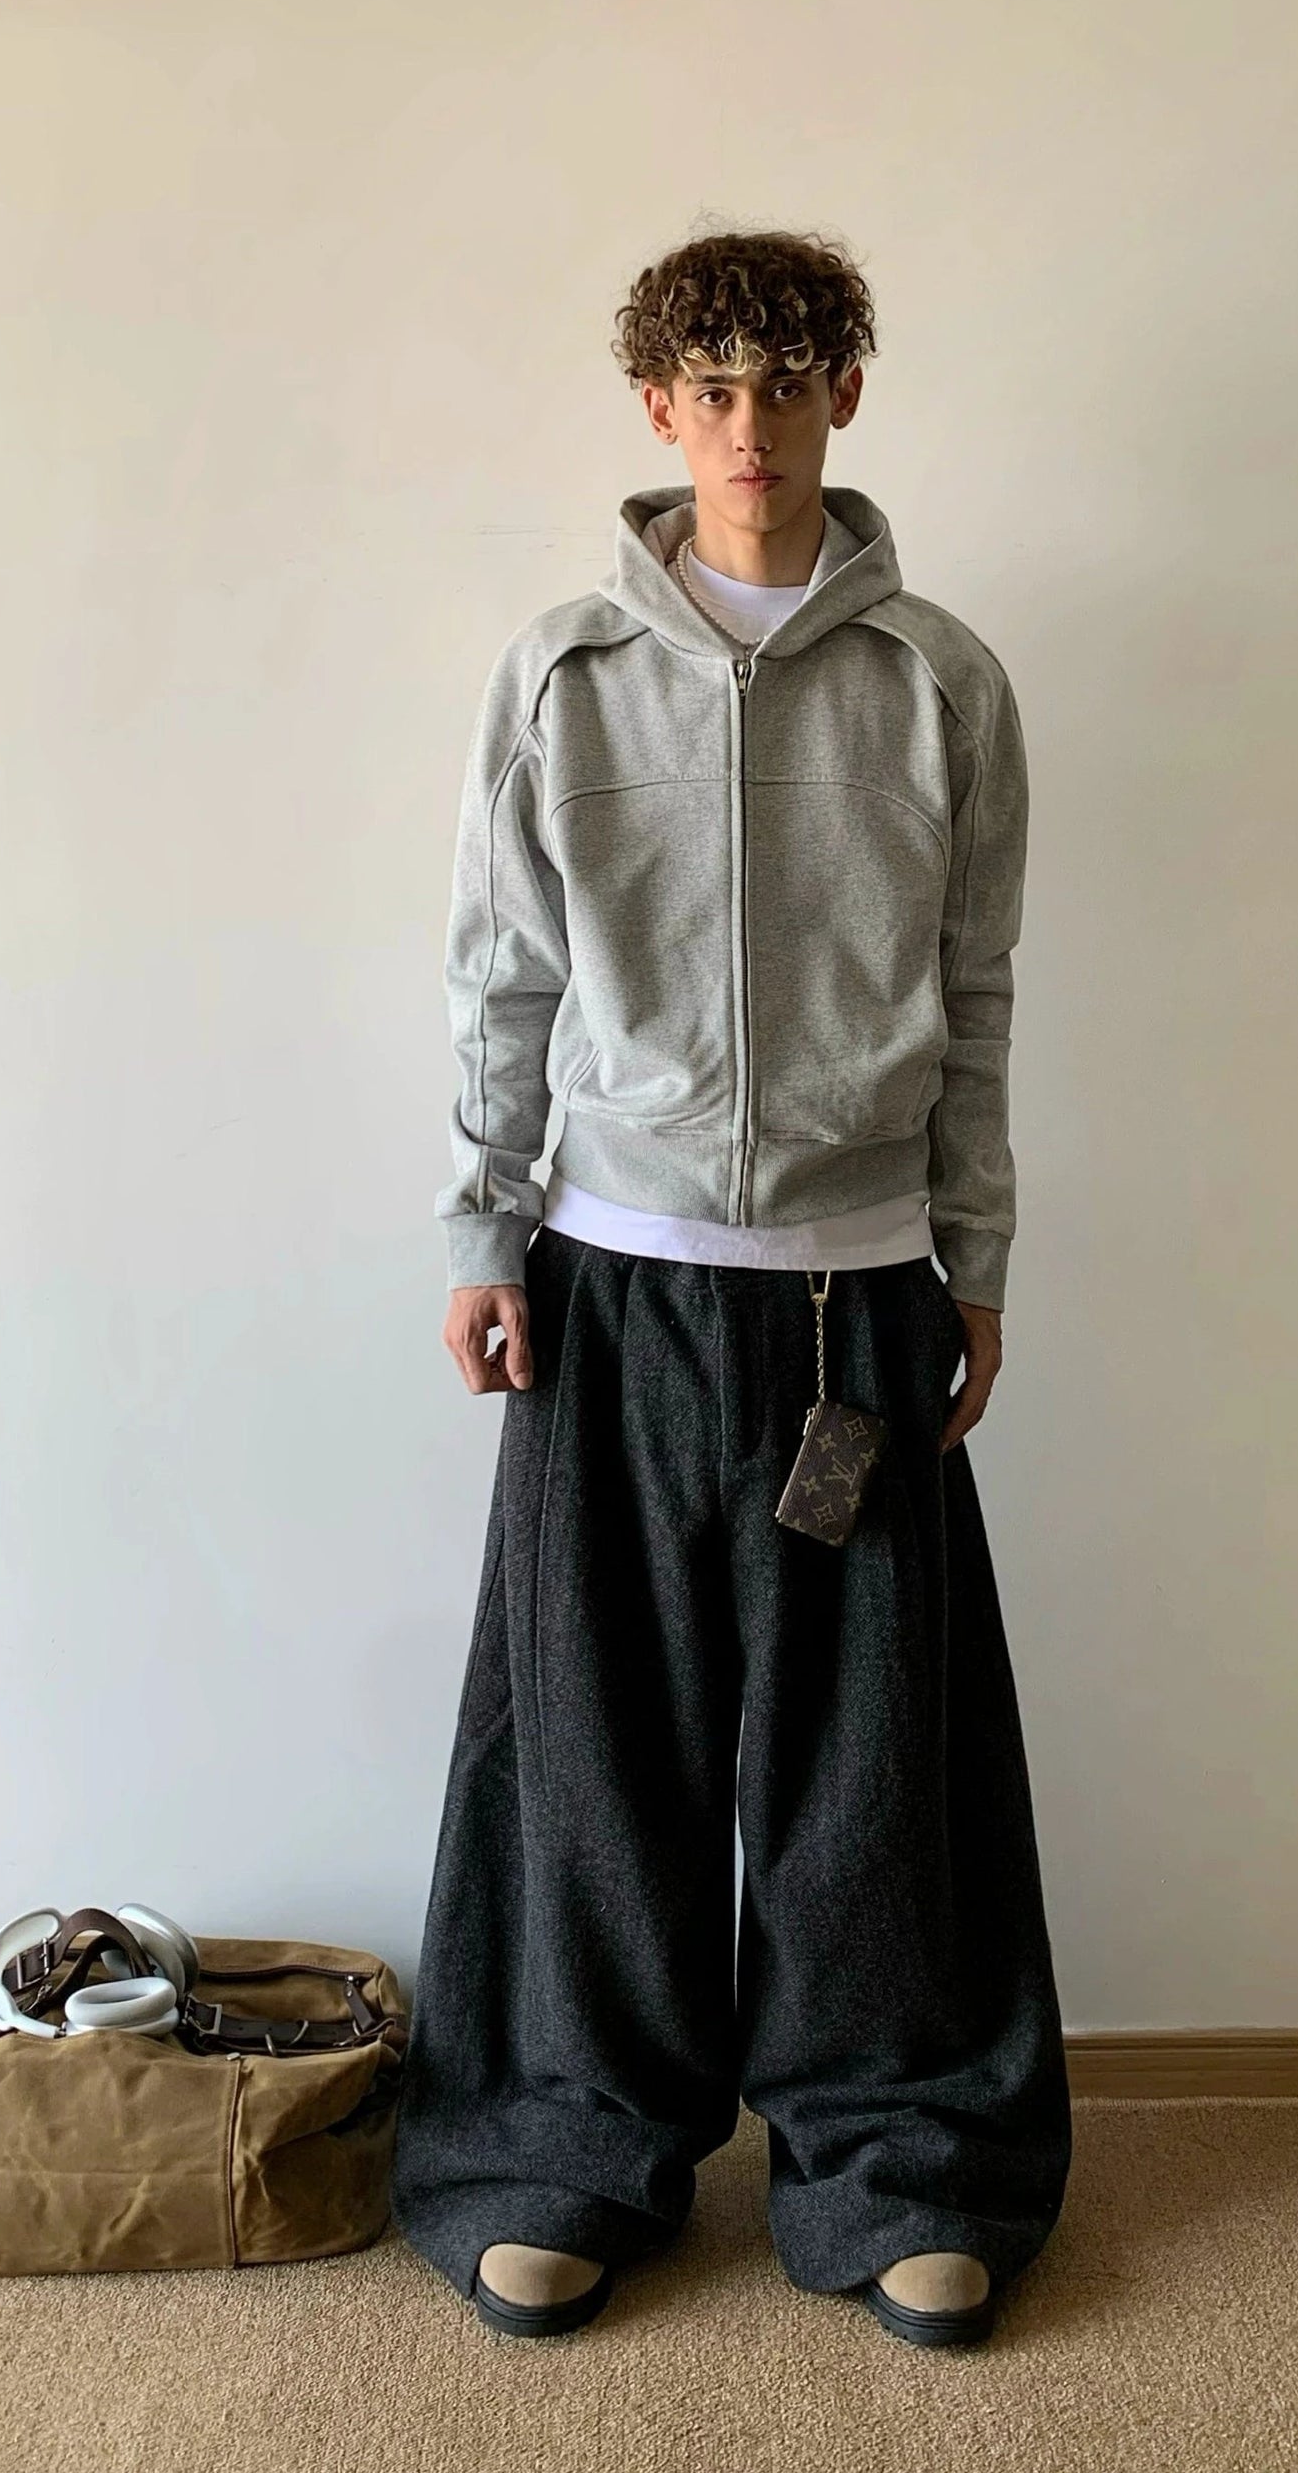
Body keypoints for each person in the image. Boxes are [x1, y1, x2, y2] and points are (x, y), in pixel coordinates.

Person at [390, 227, 1071, 2349]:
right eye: (709, 384)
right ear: (656, 409)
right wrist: (481, 1227)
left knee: (872, 1772)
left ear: (842, 393)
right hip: (612, 1284)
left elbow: (976, 992)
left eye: (785, 377)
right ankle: (564, 2144)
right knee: (595, 1748)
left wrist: (973, 1254)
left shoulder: (939, 683)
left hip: (856, 1298)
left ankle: (897, 2161)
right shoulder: (563, 676)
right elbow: (499, 978)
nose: (748, 420)